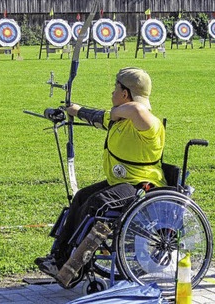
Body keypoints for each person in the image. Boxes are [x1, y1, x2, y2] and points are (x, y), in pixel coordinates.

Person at [35, 67, 167, 277]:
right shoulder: (120, 120)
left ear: (125, 94)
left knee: (97, 203)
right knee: (81, 197)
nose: (111, 94)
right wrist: (74, 110)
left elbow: (137, 111)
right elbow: (96, 116)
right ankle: (58, 257)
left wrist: (115, 112)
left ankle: (74, 265)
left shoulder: (149, 124)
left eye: (115, 89)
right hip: (121, 183)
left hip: (141, 186)